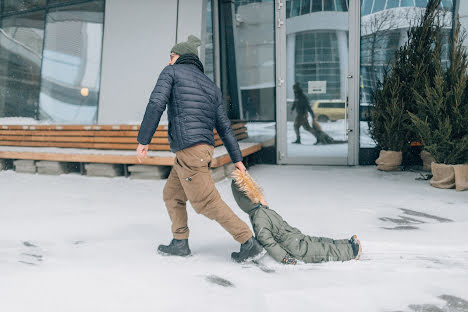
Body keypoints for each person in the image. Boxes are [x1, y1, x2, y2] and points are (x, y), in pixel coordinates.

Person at [136, 35, 263, 263]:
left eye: (171, 56)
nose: (169, 60)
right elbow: (225, 127)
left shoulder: (171, 72)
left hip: (189, 150)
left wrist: (144, 140)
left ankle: (248, 241)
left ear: (178, 56)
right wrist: (237, 159)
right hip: (201, 149)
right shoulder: (209, 85)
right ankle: (179, 241)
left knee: (206, 202)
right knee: (172, 194)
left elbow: (156, 103)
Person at [230, 169, 362, 264]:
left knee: (320, 247)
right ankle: (349, 247)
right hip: (294, 241)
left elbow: (270, 237)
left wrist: (285, 253)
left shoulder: (259, 215)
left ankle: (348, 247)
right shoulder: (262, 212)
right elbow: (271, 236)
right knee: (320, 247)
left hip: (293, 243)